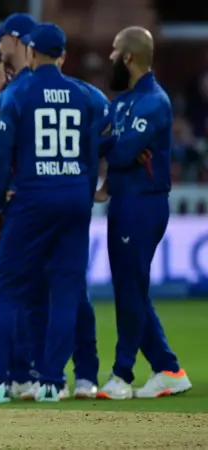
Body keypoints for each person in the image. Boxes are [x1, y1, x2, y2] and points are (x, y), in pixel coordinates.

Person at [0, 23, 100, 404]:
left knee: (4, 283)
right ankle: (53, 381)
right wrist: (84, 198)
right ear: (63, 55)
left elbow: (1, 156)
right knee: (67, 290)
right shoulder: (82, 94)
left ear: (33, 53)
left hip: (34, 196)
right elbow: (90, 156)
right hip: (75, 196)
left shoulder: (18, 93)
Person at [96, 26, 191, 400]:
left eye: (114, 50)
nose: (110, 57)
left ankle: (122, 374)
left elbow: (116, 153)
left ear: (129, 57)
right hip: (124, 200)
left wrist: (117, 149)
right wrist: (116, 148)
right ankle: (168, 369)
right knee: (130, 288)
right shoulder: (124, 102)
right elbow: (107, 145)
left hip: (143, 202)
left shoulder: (154, 101)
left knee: (129, 288)